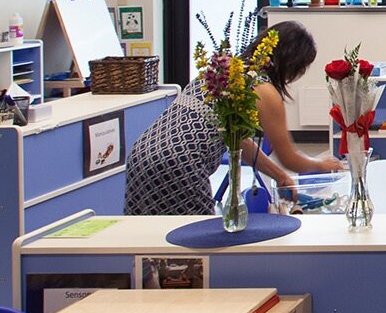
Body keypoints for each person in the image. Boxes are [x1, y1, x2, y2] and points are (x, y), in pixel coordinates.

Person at [124, 22, 337, 215]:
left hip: (142, 153)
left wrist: (278, 175)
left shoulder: (221, 72)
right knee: (191, 246)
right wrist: (321, 164)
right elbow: (289, 157)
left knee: (146, 237)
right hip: (179, 163)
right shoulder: (263, 89)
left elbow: (239, 141)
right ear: (291, 64)